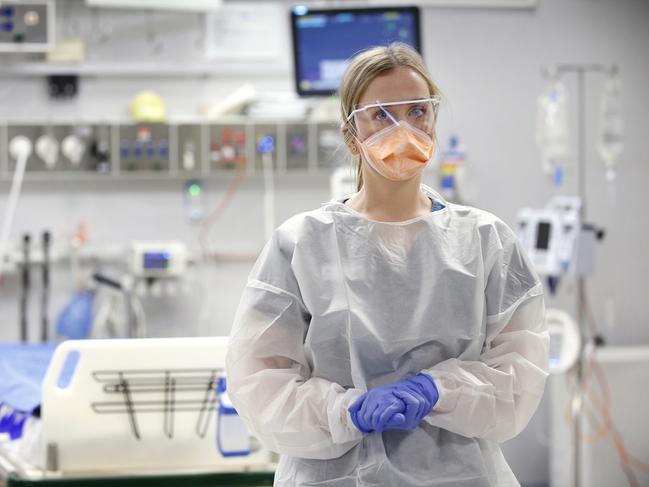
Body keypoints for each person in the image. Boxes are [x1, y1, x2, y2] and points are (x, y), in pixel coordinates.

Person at [225, 42, 549, 487]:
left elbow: (519, 375)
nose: (404, 128)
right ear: (351, 135)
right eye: (382, 115)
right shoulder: (300, 244)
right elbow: (259, 383)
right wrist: (346, 412)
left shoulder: (485, 240)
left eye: (418, 111)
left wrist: (440, 391)